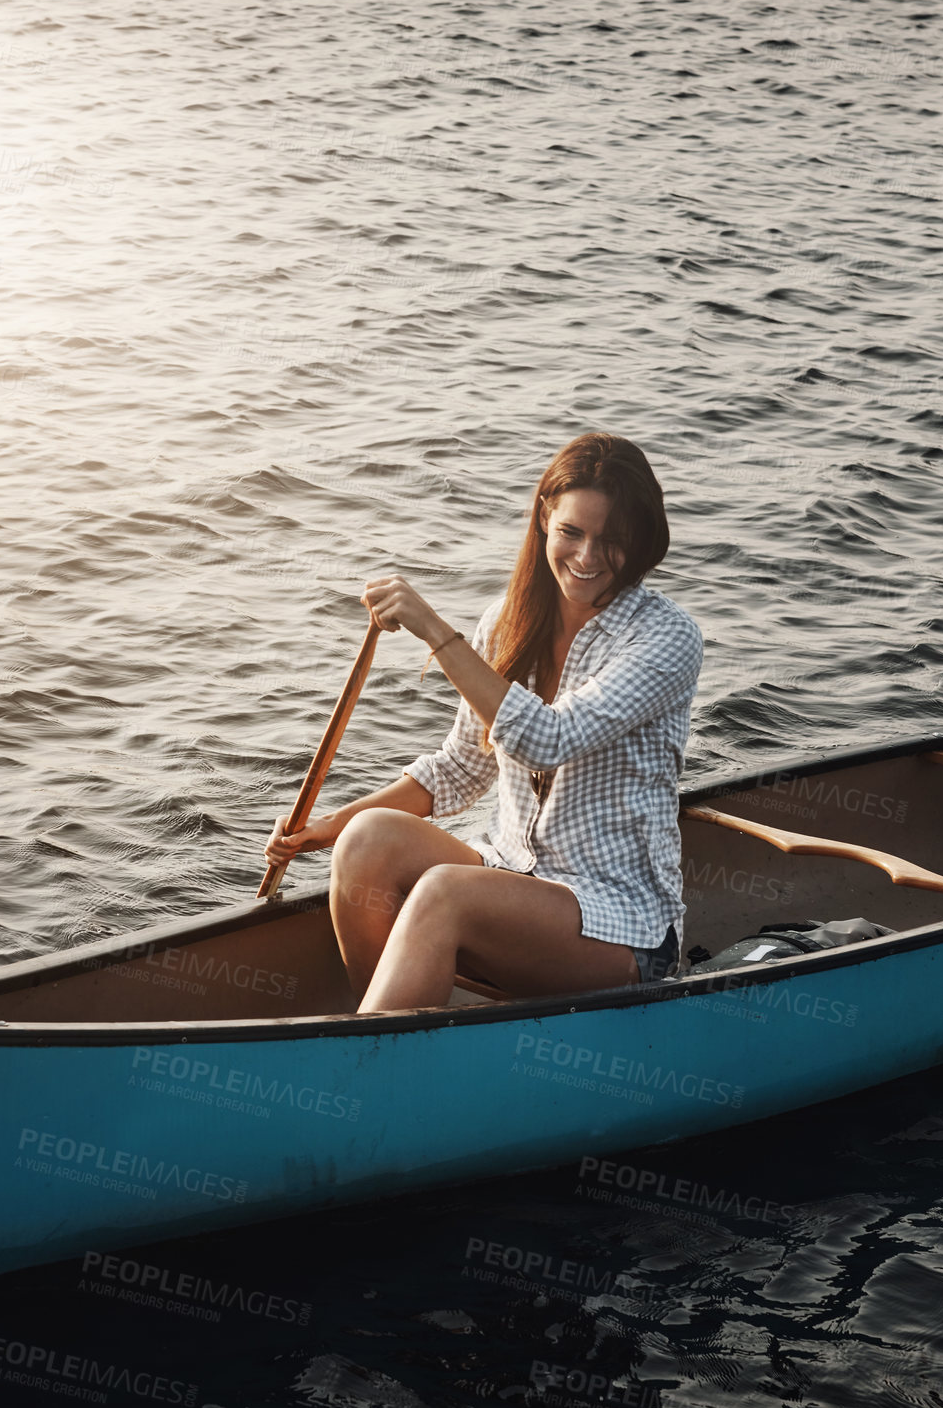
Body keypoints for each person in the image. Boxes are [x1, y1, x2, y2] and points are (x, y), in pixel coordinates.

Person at [264, 432, 704, 1013]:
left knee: (444, 893)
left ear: (642, 540)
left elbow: (549, 740)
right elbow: (459, 767)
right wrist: (332, 825)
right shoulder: (505, 621)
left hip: (622, 929)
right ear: (545, 517)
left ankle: (368, 1069)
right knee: (367, 840)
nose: (588, 557)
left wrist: (434, 631)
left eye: (613, 541)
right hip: (510, 877)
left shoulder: (666, 638)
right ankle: (391, 1034)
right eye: (572, 532)